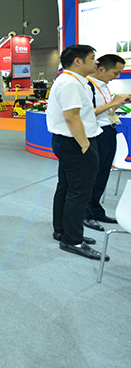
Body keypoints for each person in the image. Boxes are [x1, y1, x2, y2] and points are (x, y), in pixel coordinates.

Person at [46, 44, 107, 261]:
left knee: (67, 187)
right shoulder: (71, 83)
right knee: (79, 192)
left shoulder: (72, 81)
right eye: (92, 58)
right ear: (78, 61)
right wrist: (85, 145)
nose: (96, 62)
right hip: (75, 142)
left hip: (69, 141)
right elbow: (72, 116)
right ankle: (73, 240)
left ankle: (63, 230)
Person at [85, 54, 130, 230]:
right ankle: (86, 213)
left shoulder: (104, 86)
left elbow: (106, 111)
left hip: (109, 130)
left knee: (103, 173)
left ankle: (96, 209)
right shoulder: (87, 86)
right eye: (115, 73)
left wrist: (119, 102)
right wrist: (114, 102)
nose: (117, 77)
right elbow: (87, 113)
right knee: (92, 174)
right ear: (102, 69)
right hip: (96, 133)